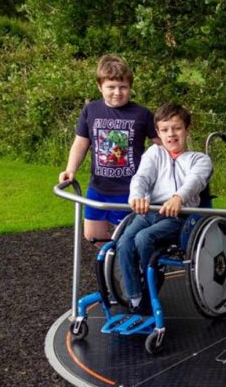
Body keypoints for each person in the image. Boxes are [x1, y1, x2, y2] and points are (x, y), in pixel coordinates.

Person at [117, 103, 212, 314]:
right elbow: (142, 177)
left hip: (178, 216)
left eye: (177, 128)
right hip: (150, 211)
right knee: (123, 242)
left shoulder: (200, 159)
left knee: (143, 239)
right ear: (158, 132)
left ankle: (153, 275)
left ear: (187, 130)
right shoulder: (155, 153)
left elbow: (195, 181)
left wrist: (179, 198)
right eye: (165, 129)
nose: (171, 134)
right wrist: (137, 196)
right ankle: (135, 297)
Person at [58, 54, 159, 244]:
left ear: (130, 87)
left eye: (123, 87)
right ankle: (113, 269)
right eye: (111, 87)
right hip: (99, 188)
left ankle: (129, 271)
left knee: (128, 240)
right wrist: (70, 169)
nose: (117, 92)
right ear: (100, 86)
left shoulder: (141, 114)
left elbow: (161, 146)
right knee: (94, 237)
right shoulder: (91, 111)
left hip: (129, 190)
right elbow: (80, 143)